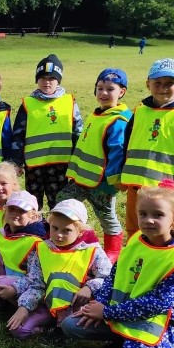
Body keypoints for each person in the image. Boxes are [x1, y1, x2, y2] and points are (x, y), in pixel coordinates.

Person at [62, 182, 174, 348]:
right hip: (118, 314)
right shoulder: (137, 239)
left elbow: (155, 304)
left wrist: (106, 312)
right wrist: (98, 305)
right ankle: (121, 341)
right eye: (143, 214)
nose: (148, 220)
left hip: (150, 327)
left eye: (158, 215)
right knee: (70, 325)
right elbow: (115, 276)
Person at [0, 199, 110, 339]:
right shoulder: (42, 249)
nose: (58, 235)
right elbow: (36, 282)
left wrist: (89, 287)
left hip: (79, 308)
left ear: (80, 231)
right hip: (46, 303)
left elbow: (108, 278)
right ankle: (47, 324)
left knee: (59, 280)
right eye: (54, 228)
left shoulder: (92, 251)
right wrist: (24, 307)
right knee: (18, 330)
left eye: (66, 230)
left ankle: (61, 330)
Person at [119, 58, 174, 238]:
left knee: (166, 232)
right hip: (136, 185)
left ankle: (169, 263)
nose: (163, 87)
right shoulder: (140, 110)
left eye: (169, 83)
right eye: (157, 82)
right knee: (135, 229)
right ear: (148, 83)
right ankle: (135, 261)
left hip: (165, 190)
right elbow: (127, 143)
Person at [59, 68, 131, 262]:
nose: (104, 93)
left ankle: (113, 251)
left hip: (102, 183)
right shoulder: (98, 113)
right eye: (100, 88)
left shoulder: (119, 120)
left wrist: (115, 180)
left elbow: (118, 151)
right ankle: (66, 239)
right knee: (62, 202)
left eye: (110, 89)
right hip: (82, 178)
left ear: (121, 92)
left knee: (106, 216)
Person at [10, 53, 84, 210]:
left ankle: (55, 233)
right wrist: (16, 162)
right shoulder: (28, 104)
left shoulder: (69, 102)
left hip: (61, 165)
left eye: (51, 78)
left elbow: (78, 133)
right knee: (32, 205)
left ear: (59, 80)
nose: (47, 82)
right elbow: (18, 135)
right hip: (34, 166)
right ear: (37, 80)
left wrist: (78, 162)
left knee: (58, 205)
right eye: (42, 78)